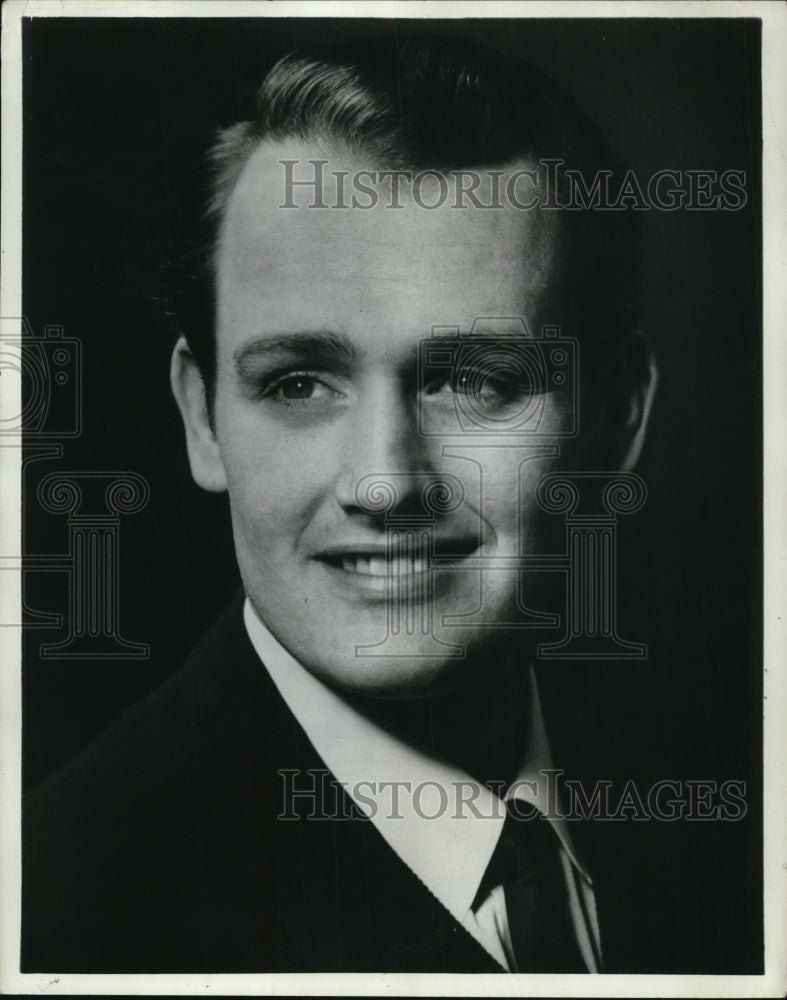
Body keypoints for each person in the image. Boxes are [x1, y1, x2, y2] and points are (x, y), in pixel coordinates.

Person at [23, 34, 661, 974]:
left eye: (474, 380)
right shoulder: (60, 905)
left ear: (613, 420)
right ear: (202, 418)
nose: (383, 482)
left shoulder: (719, 814)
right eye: (297, 384)